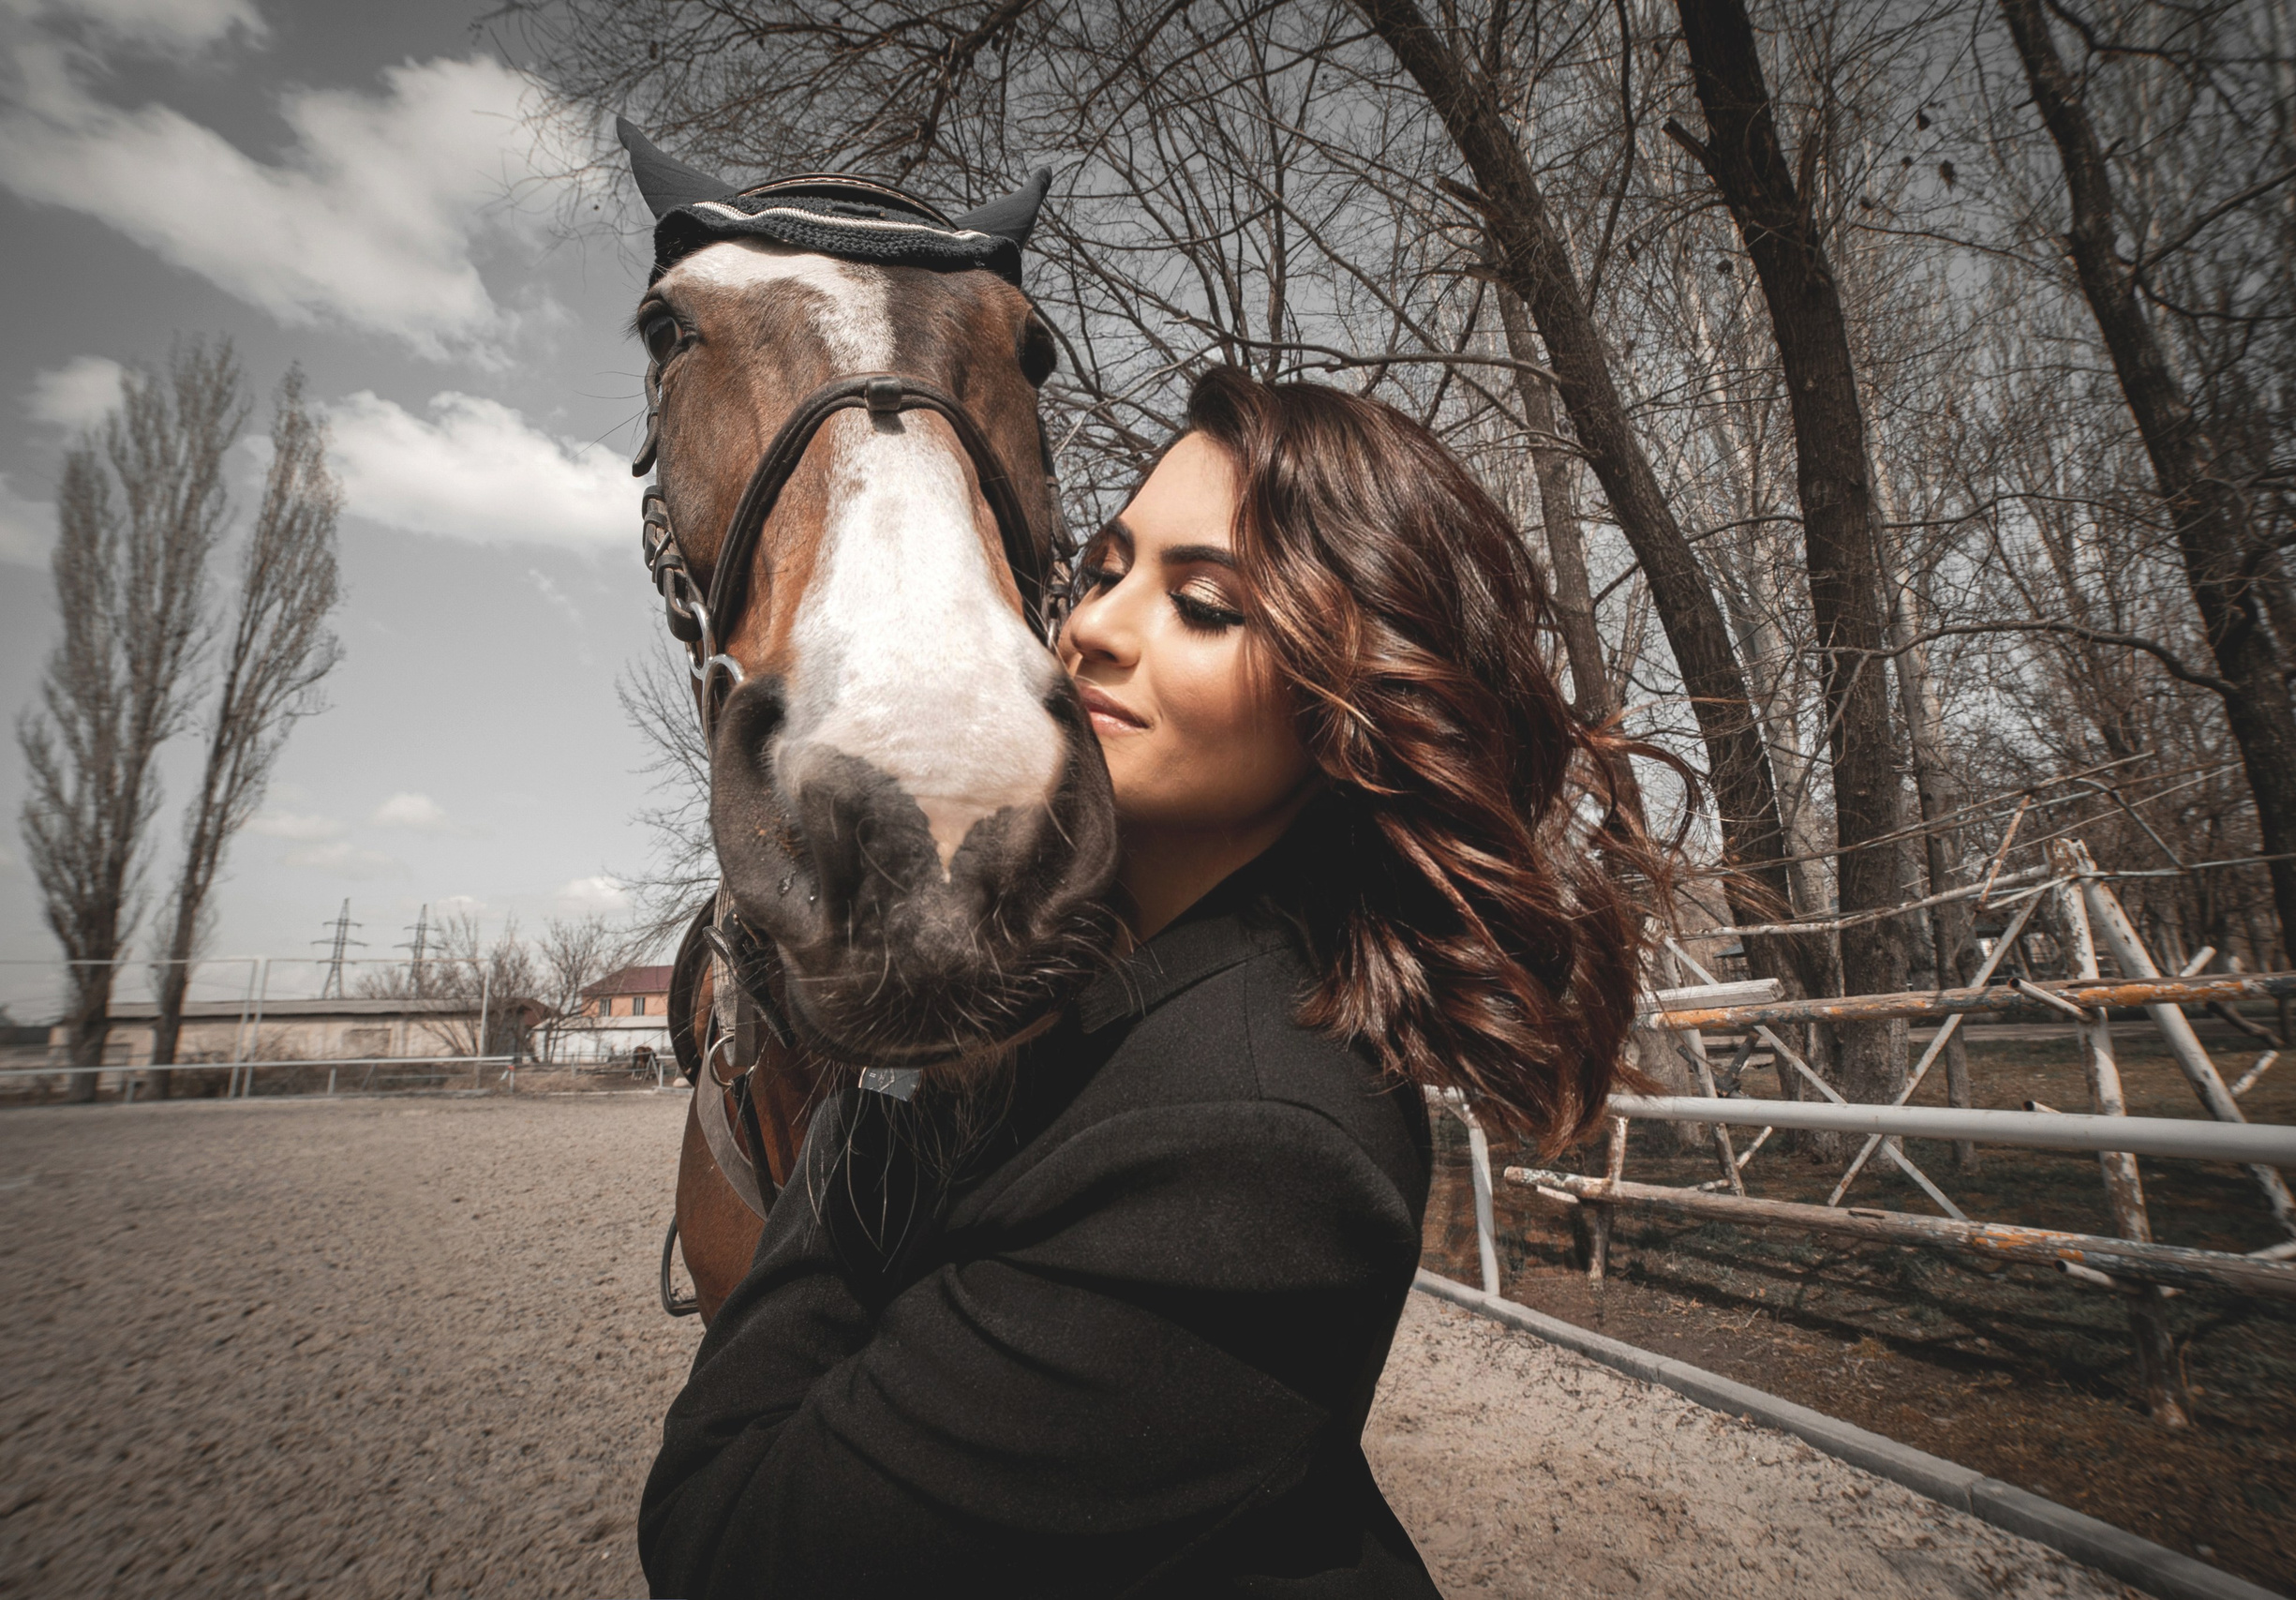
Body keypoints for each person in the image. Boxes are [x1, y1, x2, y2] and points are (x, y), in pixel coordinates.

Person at [639, 366, 1668, 1597]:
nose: (1093, 628)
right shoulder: (1112, 982)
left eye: (1206, 605)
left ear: (1347, 705)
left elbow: (729, 1542)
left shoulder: (1251, 1146)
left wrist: (882, 1045)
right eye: (1106, 570)